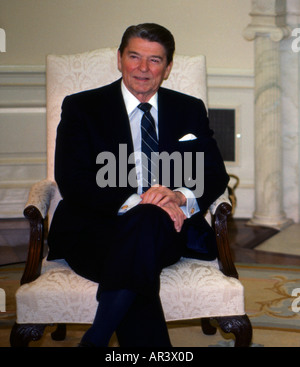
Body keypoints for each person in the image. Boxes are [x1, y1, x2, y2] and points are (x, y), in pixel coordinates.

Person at [47, 23, 229, 347]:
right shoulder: (82, 107)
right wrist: (140, 201)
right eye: (134, 56)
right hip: (93, 230)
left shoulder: (188, 109)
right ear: (119, 59)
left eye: (155, 60)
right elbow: (71, 179)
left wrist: (176, 196)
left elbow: (214, 174)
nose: (143, 69)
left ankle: (96, 338)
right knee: (137, 265)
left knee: (148, 222)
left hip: (166, 229)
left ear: (168, 67)